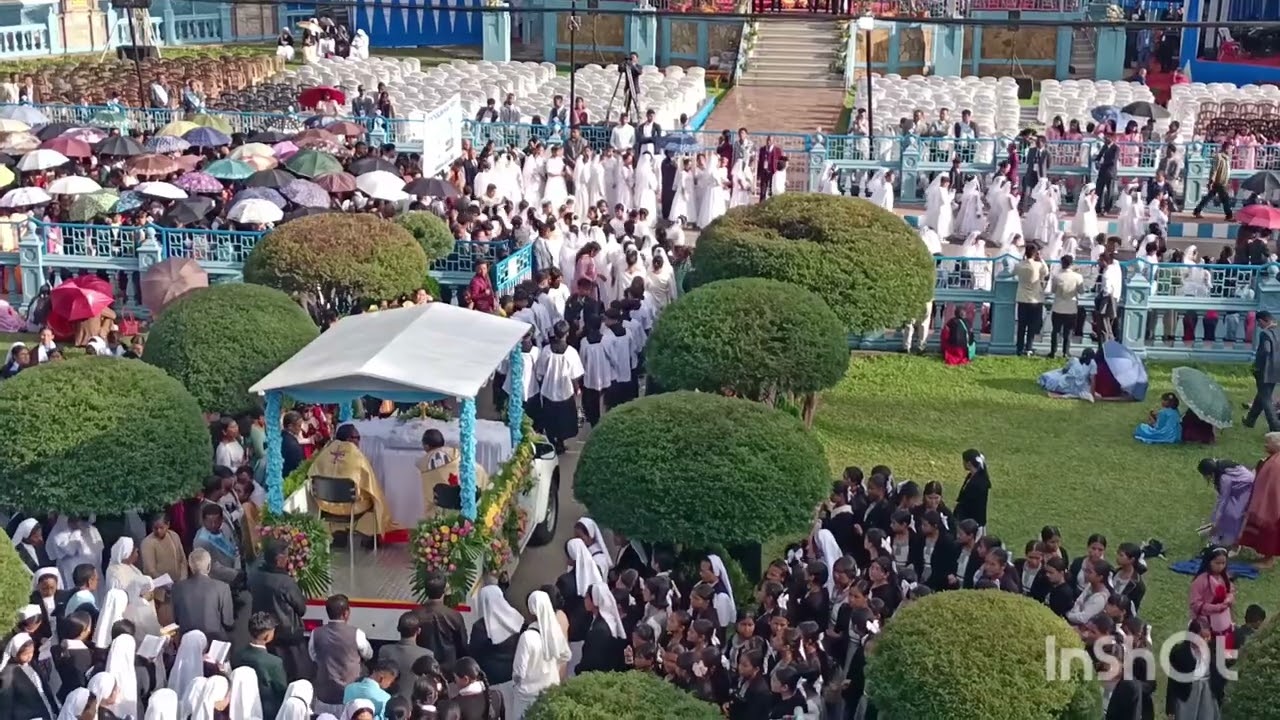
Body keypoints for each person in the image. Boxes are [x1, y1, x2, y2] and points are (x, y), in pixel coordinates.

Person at [308, 424, 395, 544]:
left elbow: (311, 474)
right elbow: (371, 485)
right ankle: (369, 536)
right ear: (349, 439)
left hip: (325, 505)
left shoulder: (324, 453)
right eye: (357, 437)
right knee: (374, 499)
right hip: (351, 508)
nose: (359, 441)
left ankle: (339, 531)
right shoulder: (357, 456)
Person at [248, 540, 310, 681]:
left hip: (266, 632)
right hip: (288, 635)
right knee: (296, 674)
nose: (288, 559)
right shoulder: (285, 582)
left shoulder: (255, 576)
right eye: (286, 556)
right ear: (279, 559)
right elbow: (301, 608)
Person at [310, 595, 373, 716]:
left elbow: (313, 656)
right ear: (346, 613)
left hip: (324, 696)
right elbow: (368, 654)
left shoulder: (315, 633)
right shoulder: (357, 634)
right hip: (349, 698)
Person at [511, 591, 570, 718]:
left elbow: (518, 672)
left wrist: (517, 686)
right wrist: (553, 670)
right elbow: (565, 655)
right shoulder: (554, 632)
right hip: (550, 689)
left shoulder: (527, 637)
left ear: (531, 611)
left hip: (527, 695)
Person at [468, 585, 521, 712]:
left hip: (489, 680)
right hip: (512, 676)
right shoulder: (516, 618)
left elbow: (473, 653)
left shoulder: (480, 628)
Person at [171, 548, 235, 642]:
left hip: (188, 642)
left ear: (191, 567)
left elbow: (177, 620)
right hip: (214, 642)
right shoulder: (223, 587)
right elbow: (228, 622)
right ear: (209, 566)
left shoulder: (177, 588)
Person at [234, 612, 288, 720]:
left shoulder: (238, 655)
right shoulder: (274, 662)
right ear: (268, 636)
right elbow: (282, 690)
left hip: (240, 707)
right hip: (267, 712)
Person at [104, 536, 161, 636]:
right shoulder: (114, 572)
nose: (137, 555)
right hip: (131, 616)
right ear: (127, 554)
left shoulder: (132, 568)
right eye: (135, 552)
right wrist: (141, 596)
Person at [1239, 432, 1280, 567]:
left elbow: (1273, 486)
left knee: (1272, 533)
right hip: (1267, 503)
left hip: (1274, 506)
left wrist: (1270, 503)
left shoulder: (1276, 463)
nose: (1265, 445)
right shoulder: (1272, 459)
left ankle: (1268, 560)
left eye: (1268, 442)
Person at [139, 513, 187, 628]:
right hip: (161, 592)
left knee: (182, 620)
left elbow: (182, 560)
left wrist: (182, 578)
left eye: (161, 528)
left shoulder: (174, 536)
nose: (159, 531)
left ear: (168, 525)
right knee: (167, 624)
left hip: (178, 586)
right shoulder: (147, 543)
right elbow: (150, 569)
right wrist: (167, 585)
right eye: (155, 528)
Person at [413, 572, 468, 666]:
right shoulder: (454, 615)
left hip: (423, 666)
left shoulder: (414, 615)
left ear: (425, 591)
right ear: (444, 591)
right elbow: (463, 645)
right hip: (449, 668)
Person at [0, 632, 59, 719]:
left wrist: (55, 709)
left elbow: (44, 687)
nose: (29, 656)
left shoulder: (32, 663)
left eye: (31, 652)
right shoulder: (8, 673)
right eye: (25, 654)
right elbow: (6, 704)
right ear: (15, 654)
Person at [376, 613, 431, 700]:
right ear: (419, 631)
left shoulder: (385, 650)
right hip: (415, 705)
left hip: (389, 703)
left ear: (398, 629)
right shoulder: (427, 654)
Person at [1245, 311, 1280, 432]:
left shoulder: (1265, 334)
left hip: (1265, 370)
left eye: (1259, 323)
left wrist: (1256, 367)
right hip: (1276, 369)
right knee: (1262, 394)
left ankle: (1275, 426)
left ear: (1262, 321)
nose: (1259, 326)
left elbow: (1265, 350)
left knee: (1266, 399)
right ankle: (1250, 420)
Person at [1013, 245, 1048, 356]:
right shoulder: (1038, 265)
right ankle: (1029, 347)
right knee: (1032, 326)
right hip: (1035, 299)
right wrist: (1041, 258)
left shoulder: (1019, 265)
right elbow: (1046, 272)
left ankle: (1019, 348)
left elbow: (1013, 273)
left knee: (1021, 325)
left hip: (1022, 298)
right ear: (1035, 254)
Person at [1048, 255, 1084, 359]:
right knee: (1068, 332)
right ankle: (1065, 352)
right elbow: (1081, 291)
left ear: (1062, 263)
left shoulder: (1056, 276)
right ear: (1071, 264)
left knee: (1055, 331)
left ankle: (1053, 351)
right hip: (1071, 307)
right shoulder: (1077, 276)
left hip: (1058, 306)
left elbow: (1053, 290)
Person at [954, 449, 990, 534]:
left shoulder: (978, 483)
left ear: (969, 463)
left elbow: (971, 503)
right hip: (967, 518)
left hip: (973, 522)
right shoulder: (971, 477)